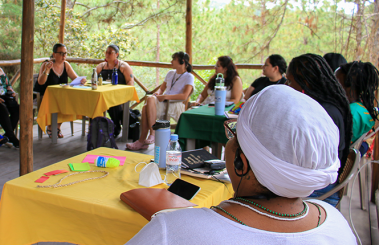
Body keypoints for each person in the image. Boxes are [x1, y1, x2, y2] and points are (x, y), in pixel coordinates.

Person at [126, 86, 356, 244]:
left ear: (240, 163)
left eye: (233, 137)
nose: (230, 140)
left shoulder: (172, 230)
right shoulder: (336, 224)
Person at [286, 53, 352, 206]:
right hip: (319, 182)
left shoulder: (323, 112)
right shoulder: (326, 104)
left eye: (290, 81)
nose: (287, 87)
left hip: (319, 190)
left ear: (306, 83)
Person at [126, 52, 194, 151]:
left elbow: (185, 96)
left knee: (146, 106)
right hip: (163, 102)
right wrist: (157, 94)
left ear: (182, 61)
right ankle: (148, 137)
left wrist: (166, 97)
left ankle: (146, 138)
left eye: (174, 59)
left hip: (175, 104)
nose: (171, 61)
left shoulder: (189, 77)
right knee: (149, 100)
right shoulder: (171, 73)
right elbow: (161, 89)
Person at [33, 43, 86, 138]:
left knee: (71, 102)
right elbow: (41, 82)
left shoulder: (66, 65)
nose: (64, 56)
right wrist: (47, 70)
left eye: (65, 53)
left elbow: (75, 78)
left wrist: (81, 80)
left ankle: (56, 126)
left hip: (60, 96)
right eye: (61, 53)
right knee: (61, 102)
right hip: (44, 95)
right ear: (54, 54)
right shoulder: (46, 64)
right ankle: (51, 127)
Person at [335, 61, 379, 148]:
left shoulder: (352, 114)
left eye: (337, 82)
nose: (332, 86)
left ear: (350, 86)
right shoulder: (361, 109)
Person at [95, 44, 134, 137]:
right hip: (104, 94)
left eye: (110, 52)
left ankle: (116, 127)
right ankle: (95, 127)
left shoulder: (124, 66)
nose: (107, 54)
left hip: (119, 95)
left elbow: (130, 81)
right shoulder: (101, 66)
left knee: (113, 102)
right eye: (106, 52)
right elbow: (94, 80)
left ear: (117, 54)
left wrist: (126, 96)